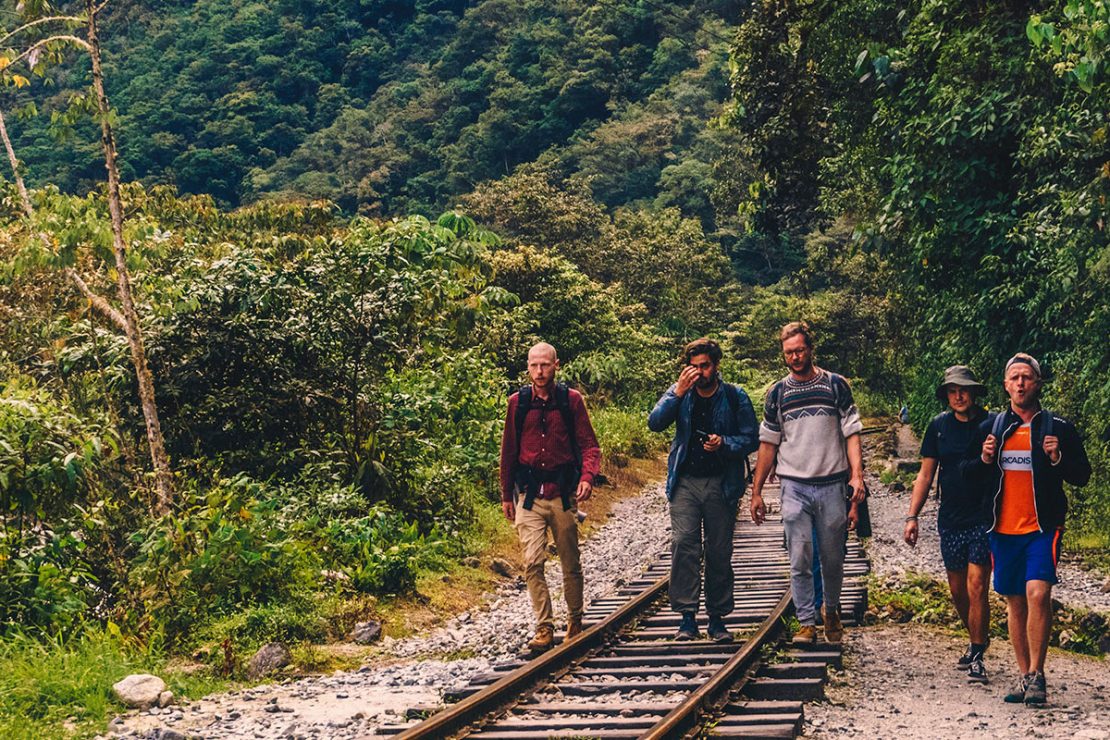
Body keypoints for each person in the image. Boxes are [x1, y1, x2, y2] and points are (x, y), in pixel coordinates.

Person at [964, 353, 1090, 704]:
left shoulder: (1057, 428)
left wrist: (1057, 458)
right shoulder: (990, 428)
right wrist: (985, 458)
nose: (1020, 383)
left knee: (1038, 593)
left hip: (1042, 528)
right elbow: (966, 476)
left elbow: (1082, 476)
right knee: (1014, 602)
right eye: (1014, 378)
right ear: (1006, 385)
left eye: (1027, 377)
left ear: (1038, 383)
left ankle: (1038, 674)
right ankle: (1024, 676)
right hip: (1002, 531)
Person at [750, 321, 865, 644]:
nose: (795, 357)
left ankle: (831, 609)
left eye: (800, 350)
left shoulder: (835, 385)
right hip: (794, 485)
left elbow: (852, 432)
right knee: (799, 555)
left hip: (831, 483)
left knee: (832, 556)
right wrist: (756, 491)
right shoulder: (778, 393)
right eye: (789, 353)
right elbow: (768, 443)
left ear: (810, 349)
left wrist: (857, 475)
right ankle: (806, 621)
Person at [648, 338, 759, 642]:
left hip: (722, 481)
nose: (700, 372)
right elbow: (655, 423)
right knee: (684, 544)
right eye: (694, 366)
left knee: (718, 549)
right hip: (685, 480)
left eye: (705, 366)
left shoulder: (736, 396)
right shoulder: (680, 394)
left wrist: (725, 443)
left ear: (716, 365)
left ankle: (717, 617)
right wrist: (676, 392)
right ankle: (686, 617)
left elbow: (752, 439)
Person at [500, 342, 601, 653]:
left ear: (556, 365)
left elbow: (589, 446)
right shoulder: (518, 403)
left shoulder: (571, 401)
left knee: (570, 561)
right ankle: (544, 626)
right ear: (528, 367)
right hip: (529, 496)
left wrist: (587, 477)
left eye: (545, 365)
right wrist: (506, 495)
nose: (539, 372)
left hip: (562, 495)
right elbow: (508, 452)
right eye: (534, 366)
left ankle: (574, 620)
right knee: (533, 562)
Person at [904, 366, 992, 683]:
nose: (959, 395)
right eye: (953, 390)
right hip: (951, 518)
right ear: (946, 395)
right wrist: (912, 516)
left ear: (974, 392)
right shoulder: (939, 426)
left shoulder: (990, 423)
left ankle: (978, 652)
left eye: (964, 389)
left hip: (985, 516)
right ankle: (977, 637)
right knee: (958, 591)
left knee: (977, 584)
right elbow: (926, 475)